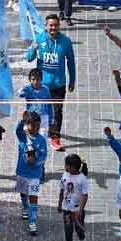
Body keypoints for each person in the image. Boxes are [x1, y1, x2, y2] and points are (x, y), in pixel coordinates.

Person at [26, 14, 76, 150]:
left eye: (55, 25)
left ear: (59, 26)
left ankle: (55, 138)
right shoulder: (39, 38)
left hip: (59, 84)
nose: (53, 28)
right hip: (41, 85)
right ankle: (36, 133)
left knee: (57, 112)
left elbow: (71, 62)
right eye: (50, 25)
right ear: (46, 26)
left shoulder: (65, 41)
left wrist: (72, 80)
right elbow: (29, 58)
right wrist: (33, 49)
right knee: (41, 112)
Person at [15, 111, 48, 235]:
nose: (35, 128)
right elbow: (17, 130)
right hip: (22, 172)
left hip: (34, 174)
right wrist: (22, 121)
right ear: (27, 124)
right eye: (32, 126)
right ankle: (24, 207)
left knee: (33, 196)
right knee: (23, 193)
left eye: (38, 126)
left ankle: (33, 221)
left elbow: (44, 155)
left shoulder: (41, 140)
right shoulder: (23, 136)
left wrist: (35, 161)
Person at [58, 153, 89, 241]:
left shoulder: (82, 179)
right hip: (67, 208)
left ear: (74, 167)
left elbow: (85, 195)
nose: (65, 167)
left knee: (78, 228)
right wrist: (59, 203)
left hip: (77, 210)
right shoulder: (65, 175)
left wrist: (80, 210)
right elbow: (62, 189)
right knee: (68, 229)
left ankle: (82, 238)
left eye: (67, 165)